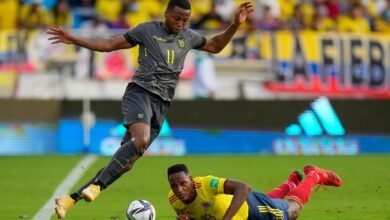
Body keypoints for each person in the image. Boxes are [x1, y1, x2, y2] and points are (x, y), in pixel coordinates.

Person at [48, 0, 254, 219]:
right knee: (141, 139)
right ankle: (97, 186)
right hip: (140, 93)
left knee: (126, 164)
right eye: (177, 18)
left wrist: (235, 25)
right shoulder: (147, 30)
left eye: (185, 20)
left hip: (162, 104)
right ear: (166, 14)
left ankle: (69, 199)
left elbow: (215, 46)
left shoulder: (188, 37)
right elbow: (109, 45)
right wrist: (75, 39)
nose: (180, 24)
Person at [167, 163, 342, 220]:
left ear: (191, 179)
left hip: (249, 209)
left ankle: (314, 175)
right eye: (174, 186)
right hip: (246, 209)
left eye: (183, 183)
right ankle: (290, 183)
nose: (179, 189)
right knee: (270, 201)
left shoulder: (205, 184)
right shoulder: (174, 201)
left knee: (292, 211)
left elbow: (244, 188)